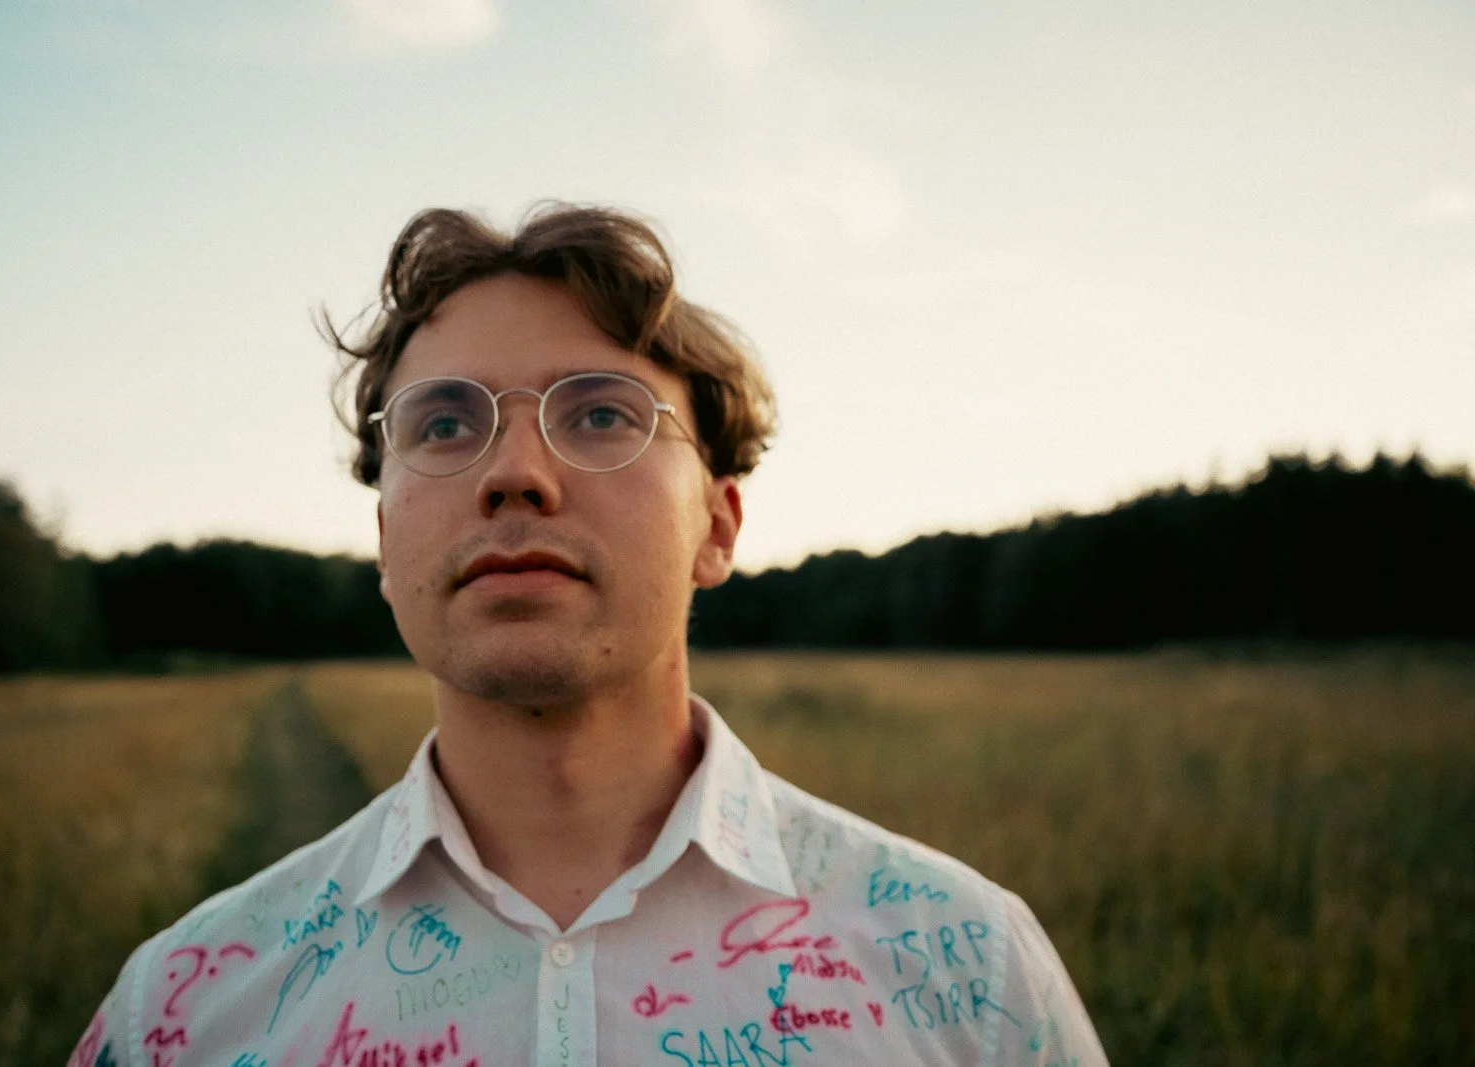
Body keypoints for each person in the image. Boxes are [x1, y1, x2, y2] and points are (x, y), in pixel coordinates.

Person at [70, 203, 1107, 1067]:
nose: (513, 470)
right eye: (442, 424)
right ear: (386, 541)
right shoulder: (176, 1013)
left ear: (716, 523)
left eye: (601, 414)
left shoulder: (972, 968)